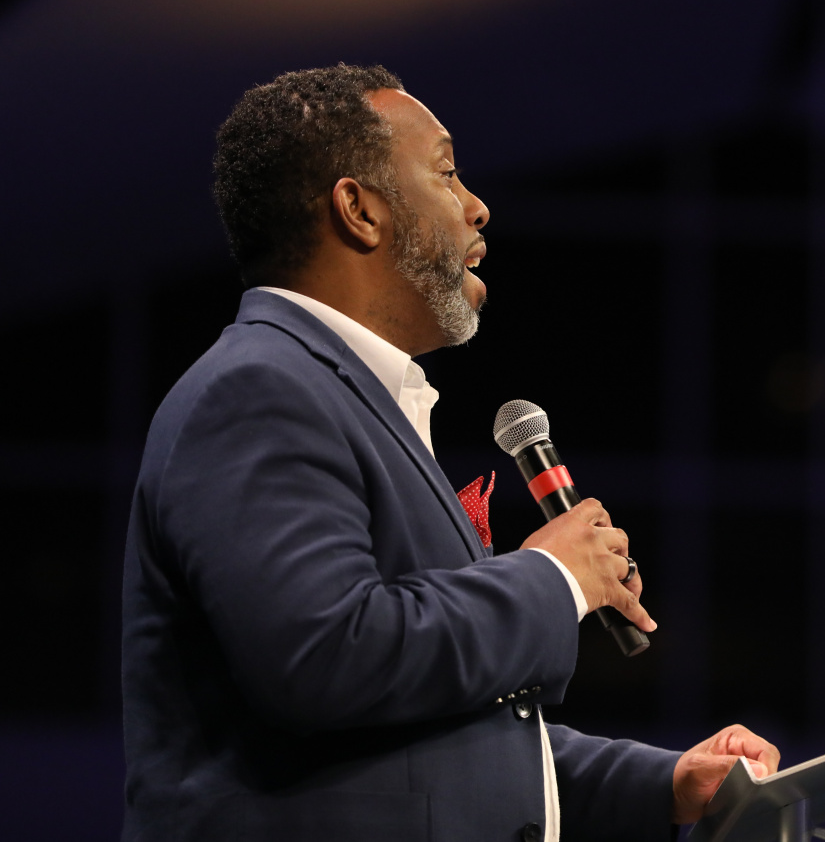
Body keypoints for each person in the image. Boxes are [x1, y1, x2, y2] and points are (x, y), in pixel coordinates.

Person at [121, 64, 779, 842]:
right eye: (445, 172)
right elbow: (327, 657)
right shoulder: (258, 390)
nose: (476, 205)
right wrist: (553, 577)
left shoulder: (346, 400)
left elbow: (440, 738)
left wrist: (664, 783)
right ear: (360, 210)